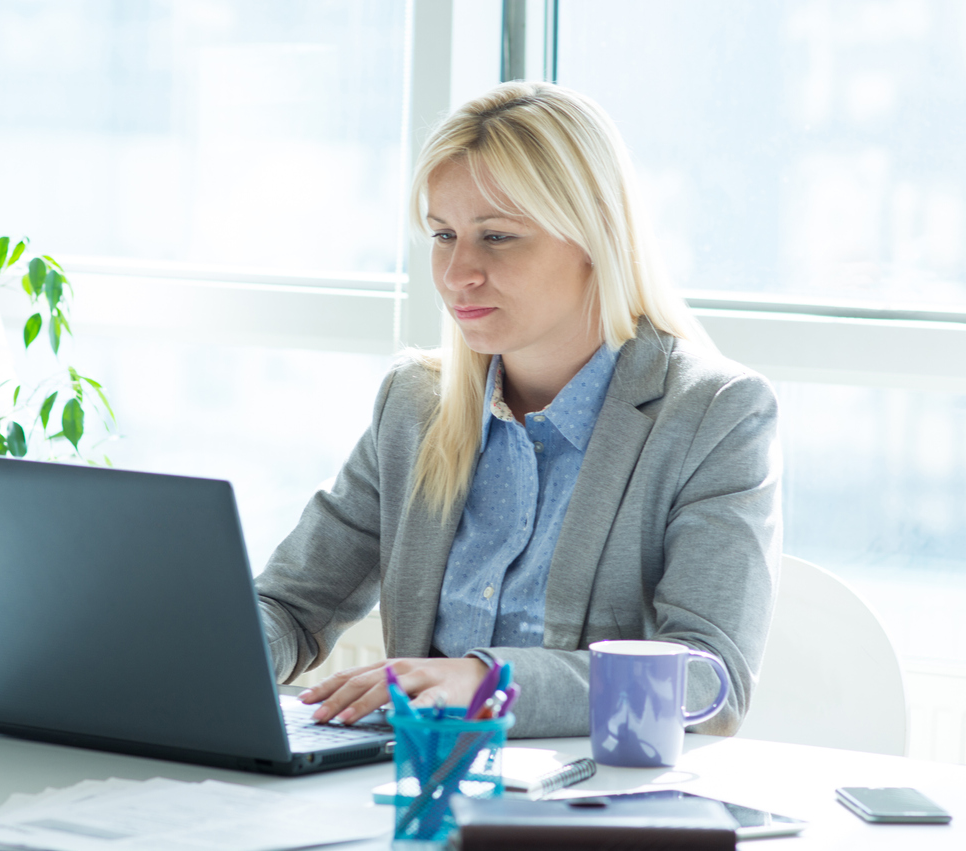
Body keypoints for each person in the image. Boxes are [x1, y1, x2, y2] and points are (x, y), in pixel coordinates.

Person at [256, 81, 781, 739]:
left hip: (592, 805)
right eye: (442, 234)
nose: (457, 273)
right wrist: (207, 651)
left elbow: (710, 679)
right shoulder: (415, 404)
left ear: (593, 237)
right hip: (427, 787)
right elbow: (288, 605)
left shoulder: (714, 414)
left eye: (497, 236)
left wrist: (485, 682)